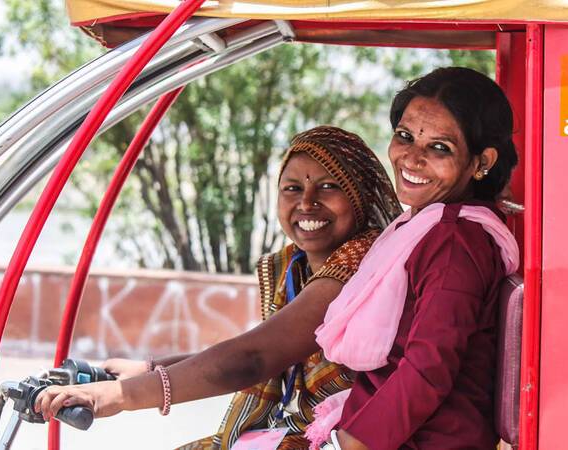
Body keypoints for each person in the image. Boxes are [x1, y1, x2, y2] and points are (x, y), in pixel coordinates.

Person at [34, 126, 402, 449]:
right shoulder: (295, 266)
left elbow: (253, 359)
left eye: (328, 186)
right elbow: (258, 346)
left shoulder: (362, 263)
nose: (306, 202)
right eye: (292, 188)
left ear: (360, 196)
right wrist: (149, 368)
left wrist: (119, 396)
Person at [308, 67, 520, 450]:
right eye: (404, 137)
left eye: (440, 148)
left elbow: (428, 369)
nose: (411, 157)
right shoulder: (424, 224)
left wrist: (348, 446)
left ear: (482, 161)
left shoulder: (455, 241)